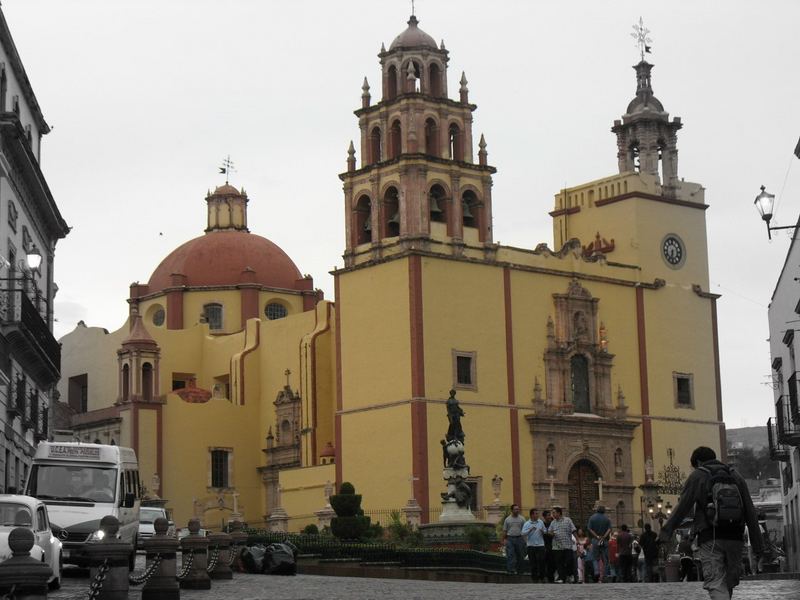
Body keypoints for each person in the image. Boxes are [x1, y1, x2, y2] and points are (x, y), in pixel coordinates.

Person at [659, 446, 763, 600]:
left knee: (716, 582)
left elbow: (682, 508)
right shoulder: (736, 476)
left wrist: (665, 533)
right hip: (735, 537)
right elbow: (750, 512)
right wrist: (758, 546)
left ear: (699, 462)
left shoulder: (698, 476)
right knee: (728, 582)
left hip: (710, 537)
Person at [549, 506, 576, 583]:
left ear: (559, 513)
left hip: (567, 545)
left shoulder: (568, 520)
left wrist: (577, 540)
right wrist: (551, 534)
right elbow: (549, 531)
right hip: (557, 546)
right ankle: (562, 578)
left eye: (554, 513)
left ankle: (570, 575)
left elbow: (573, 530)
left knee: (569, 561)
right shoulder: (553, 522)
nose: (553, 514)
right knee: (559, 563)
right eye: (552, 513)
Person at [587, 504, 612, 582]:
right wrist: (604, 536)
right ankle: (604, 575)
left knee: (595, 558)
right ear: (604, 510)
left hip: (595, 540)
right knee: (605, 559)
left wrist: (597, 536)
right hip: (604, 540)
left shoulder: (592, 518)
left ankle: (597, 571)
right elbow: (609, 529)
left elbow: (589, 529)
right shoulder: (607, 518)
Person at [522, 508, 546, 582]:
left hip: (540, 545)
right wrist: (530, 530)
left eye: (537, 513)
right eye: (536, 513)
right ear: (532, 515)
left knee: (541, 561)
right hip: (531, 545)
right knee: (533, 562)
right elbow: (522, 533)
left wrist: (543, 531)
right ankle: (534, 578)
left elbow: (545, 531)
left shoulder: (540, 522)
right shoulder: (527, 523)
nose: (537, 515)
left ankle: (542, 577)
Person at [502, 504, 527, 575]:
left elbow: (524, 530)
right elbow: (505, 530)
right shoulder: (507, 519)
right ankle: (510, 570)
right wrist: (503, 539)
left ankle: (520, 570)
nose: (517, 510)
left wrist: (525, 540)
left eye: (518, 509)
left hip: (519, 538)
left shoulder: (522, 519)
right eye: (515, 509)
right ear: (512, 510)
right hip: (510, 539)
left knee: (520, 555)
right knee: (510, 554)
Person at [542, 509, 556, 582]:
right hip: (544, 545)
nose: (550, 516)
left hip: (553, 545)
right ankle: (545, 577)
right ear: (544, 517)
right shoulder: (542, 524)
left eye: (550, 515)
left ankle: (551, 577)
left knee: (552, 562)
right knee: (544, 562)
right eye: (548, 515)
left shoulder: (553, 523)